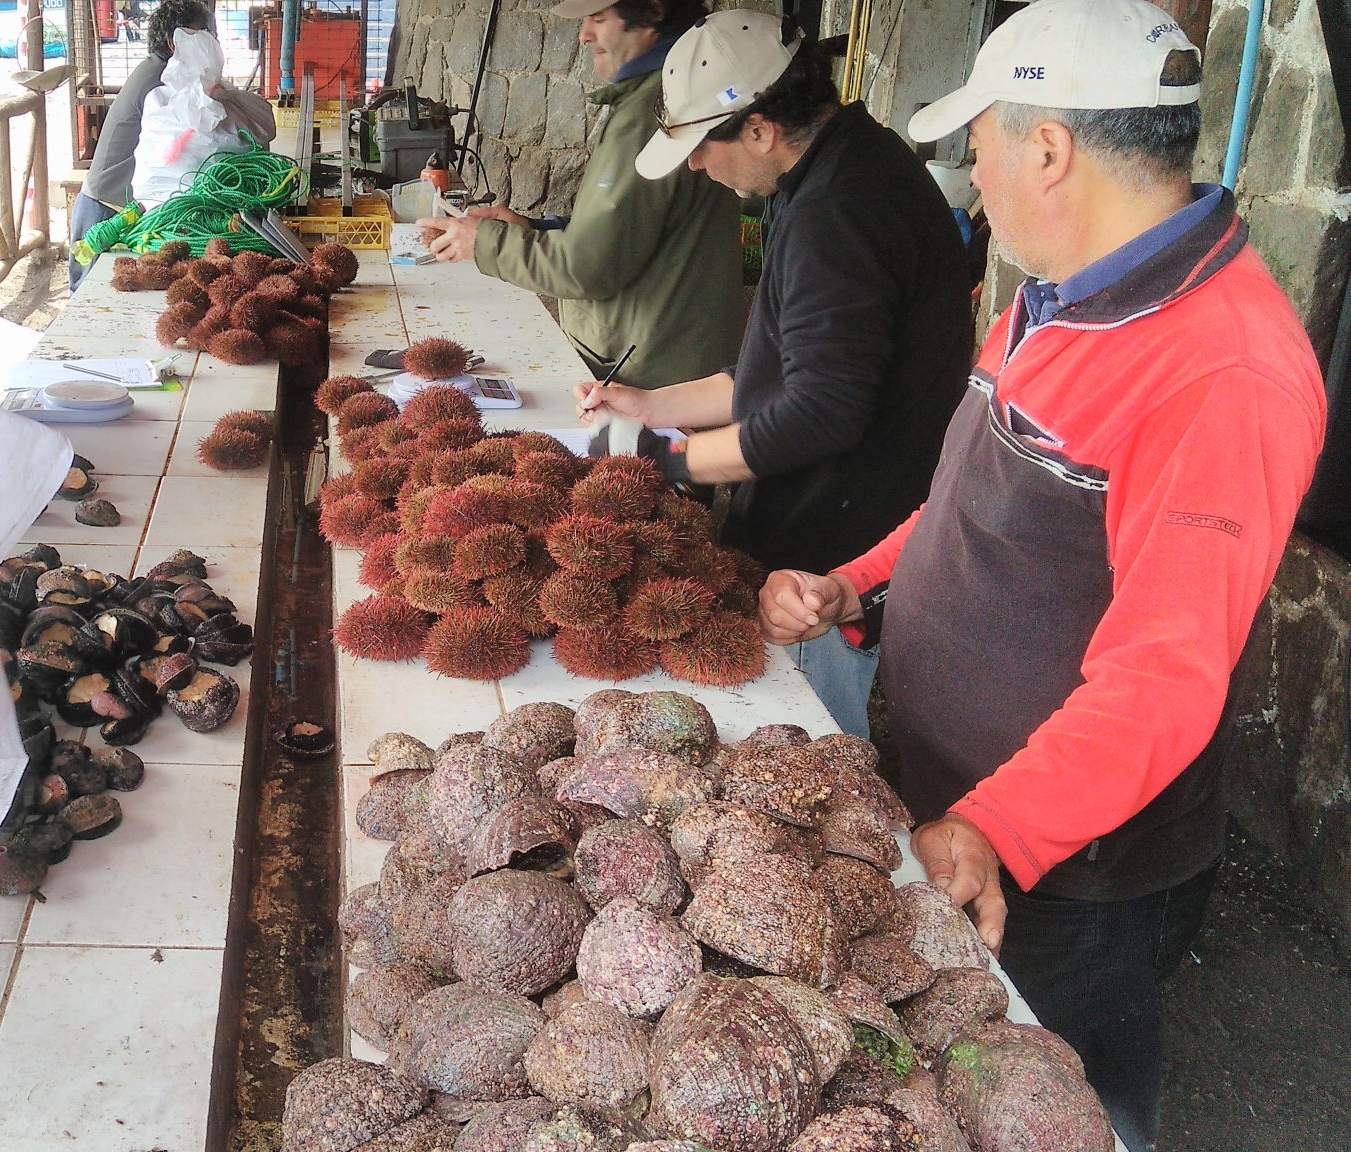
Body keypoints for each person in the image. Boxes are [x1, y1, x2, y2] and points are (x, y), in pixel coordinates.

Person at [756, 1, 1326, 1146]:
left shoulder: (1223, 372)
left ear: (1048, 149)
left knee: (1062, 1101)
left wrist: (997, 832)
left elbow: (1163, 677)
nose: (972, 180)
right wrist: (854, 580)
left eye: (978, 147)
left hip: (1066, 869)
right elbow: (971, 503)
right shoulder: (1047, 296)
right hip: (949, 792)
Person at [573, 11, 971, 736]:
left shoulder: (838, 213)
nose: (695, 166)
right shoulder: (843, 167)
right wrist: (652, 400)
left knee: (806, 742)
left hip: (834, 556)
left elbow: (822, 408)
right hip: (833, 524)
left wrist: (676, 456)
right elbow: (781, 369)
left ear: (758, 128)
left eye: (701, 147)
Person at [417, 0, 744, 391]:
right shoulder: (655, 98)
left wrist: (483, 242)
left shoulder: (650, 112)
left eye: (599, 18)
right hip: (663, 357)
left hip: (654, 375)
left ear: (653, 12)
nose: (584, 34)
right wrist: (537, 229)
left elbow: (587, 268)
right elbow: (634, 232)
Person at [66, 0, 272, 288]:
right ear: (174, 42)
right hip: (108, 204)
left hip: (119, 198)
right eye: (199, 35)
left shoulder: (166, 73)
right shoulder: (162, 81)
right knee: (87, 295)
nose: (208, 42)